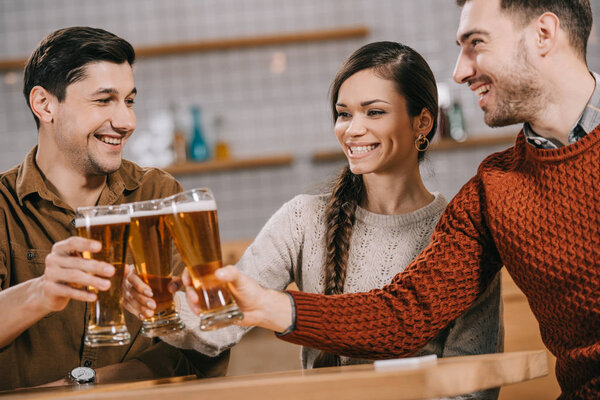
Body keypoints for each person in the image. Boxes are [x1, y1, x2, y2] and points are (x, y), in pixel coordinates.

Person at [177, 0, 600, 398]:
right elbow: (403, 315)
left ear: (544, 34)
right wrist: (271, 306)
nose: (457, 71)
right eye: (344, 113)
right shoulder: (494, 189)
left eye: (476, 44)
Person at [125, 41, 503, 398]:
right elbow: (222, 328)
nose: (352, 129)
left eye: (374, 112)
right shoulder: (302, 219)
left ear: (422, 122)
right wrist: (162, 308)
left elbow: (473, 382)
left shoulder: (459, 235)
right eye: (343, 114)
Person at [0, 26, 228, 390]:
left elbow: (204, 347)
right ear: (44, 104)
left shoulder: (159, 194)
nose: (127, 122)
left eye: (130, 100)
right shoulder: (3, 207)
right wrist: (42, 292)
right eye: (104, 100)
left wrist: (83, 385)